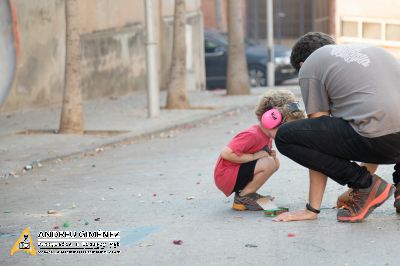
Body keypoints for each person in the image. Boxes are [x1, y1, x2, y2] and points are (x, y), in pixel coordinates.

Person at [273, 32, 400, 223]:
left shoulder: (310, 65)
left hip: (379, 136)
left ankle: (367, 187)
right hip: (388, 138)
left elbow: (317, 141)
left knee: (285, 136)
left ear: (301, 65)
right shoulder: (370, 52)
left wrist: (312, 209)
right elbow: (377, 126)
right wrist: (353, 191)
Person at [214, 90, 305, 211]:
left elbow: (270, 163)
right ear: (271, 119)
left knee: (274, 163)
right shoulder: (252, 134)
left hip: (235, 173)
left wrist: (270, 156)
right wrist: (254, 157)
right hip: (225, 175)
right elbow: (226, 153)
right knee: (269, 163)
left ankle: (248, 193)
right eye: (286, 128)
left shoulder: (266, 135)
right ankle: (243, 197)